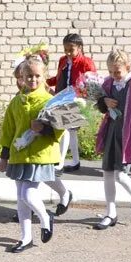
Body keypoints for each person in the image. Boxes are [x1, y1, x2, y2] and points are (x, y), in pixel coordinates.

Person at [0, 56, 62, 253]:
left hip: (39, 155)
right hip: (19, 154)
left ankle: (45, 219)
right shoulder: (16, 101)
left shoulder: (50, 101)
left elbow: (60, 129)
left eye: (36, 76)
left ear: (44, 77)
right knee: (20, 197)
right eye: (28, 76)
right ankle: (25, 238)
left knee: (28, 193)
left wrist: (43, 129)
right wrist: (4, 155)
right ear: (21, 78)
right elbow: (8, 129)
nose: (32, 80)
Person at [8, 57, 74, 224]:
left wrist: (43, 129)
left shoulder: (49, 97)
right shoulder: (19, 98)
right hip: (23, 151)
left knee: (43, 177)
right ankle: (26, 220)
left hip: (43, 149)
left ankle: (64, 194)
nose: (21, 82)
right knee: (26, 189)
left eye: (36, 76)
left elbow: (62, 126)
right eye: (20, 78)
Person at [91, 49, 131, 230]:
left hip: (129, 135)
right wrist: (104, 102)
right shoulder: (109, 83)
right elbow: (101, 106)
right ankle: (111, 213)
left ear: (128, 67)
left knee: (121, 175)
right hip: (112, 130)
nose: (114, 75)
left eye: (117, 72)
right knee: (108, 172)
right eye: (110, 72)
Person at [47, 33, 97, 173]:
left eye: (71, 49)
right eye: (66, 49)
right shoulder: (63, 60)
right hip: (62, 98)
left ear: (79, 48)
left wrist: (84, 96)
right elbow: (58, 78)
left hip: (77, 99)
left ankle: (60, 163)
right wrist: (46, 81)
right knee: (71, 131)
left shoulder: (86, 62)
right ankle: (75, 161)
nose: (68, 53)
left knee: (65, 129)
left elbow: (92, 82)